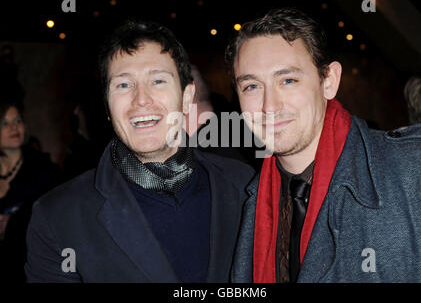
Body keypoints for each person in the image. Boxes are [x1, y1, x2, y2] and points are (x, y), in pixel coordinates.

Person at [25, 19, 255, 282]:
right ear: (107, 106)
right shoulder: (58, 216)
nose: (141, 99)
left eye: (158, 81)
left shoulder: (244, 186)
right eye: (123, 85)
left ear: (187, 97)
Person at [226, 7, 421, 283]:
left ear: (329, 81)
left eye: (288, 80)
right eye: (252, 87)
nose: (270, 106)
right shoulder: (246, 201)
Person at [0, 99, 60, 282]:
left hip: (29, 268)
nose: (14, 128)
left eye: (18, 121)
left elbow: (58, 217)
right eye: (5, 123)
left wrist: (13, 223)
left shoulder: (42, 169)